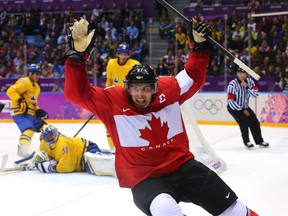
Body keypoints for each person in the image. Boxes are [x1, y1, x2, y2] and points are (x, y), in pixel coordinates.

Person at [63, 17, 259, 216]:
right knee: (165, 210)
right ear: (127, 89)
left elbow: (193, 77)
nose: (140, 94)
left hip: (184, 167)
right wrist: (76, 58)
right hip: (145, 179)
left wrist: (199, 47)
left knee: (235, 211)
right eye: (135, 89)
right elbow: (76, 93)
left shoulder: (170, 89)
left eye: (146, 88)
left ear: (155, 88)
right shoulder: (112, 101)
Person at [33, 124, 115, 176]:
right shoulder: (43, 144)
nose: (50, 138)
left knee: (96, 166)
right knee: (91, 167)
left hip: (87, 149)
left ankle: (114, 159)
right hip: (79, 160)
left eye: (51, 135)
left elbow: (68, 167)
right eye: (47, 137)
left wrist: (52, 167)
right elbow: (43, 153)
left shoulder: (63, 144)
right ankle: (107, 153)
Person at [6, 64, 48, 157]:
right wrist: (19, 99)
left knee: (46, 129)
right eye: (35, 74)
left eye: (38, 74)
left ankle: (47, 149)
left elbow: (33, 102)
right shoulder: (24, 81)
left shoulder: (37, 87)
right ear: (30, 73)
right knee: (28, 130)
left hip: (31, 113)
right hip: (20, 112)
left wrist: (38, 110)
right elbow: (10, 91)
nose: (37, 76)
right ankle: (23, 150)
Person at [105, 43, 140, 149]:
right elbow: (109, 81)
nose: (123, 56)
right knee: (110, 123)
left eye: (125, 54)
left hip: (129, 99)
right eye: (121, 54)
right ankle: (112, 147)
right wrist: (106, 95)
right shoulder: (111, 63)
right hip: (115, 98)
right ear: (117, 54)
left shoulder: (134, 64)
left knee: (129, 123)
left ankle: (131, 146)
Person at [227, 67, 269, 148]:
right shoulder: (232, 84)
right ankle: (247, 141)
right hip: (234, 108)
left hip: (245, 107)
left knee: (255, 122)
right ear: (237, 74)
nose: (242, 75)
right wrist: (242, 110)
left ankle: (259, 141)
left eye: (244, 73)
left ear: (246, 74)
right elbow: (230, 101)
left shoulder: (250, 82)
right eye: (240, 73)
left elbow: (255, 95)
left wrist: (247, 87)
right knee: (244, 122)